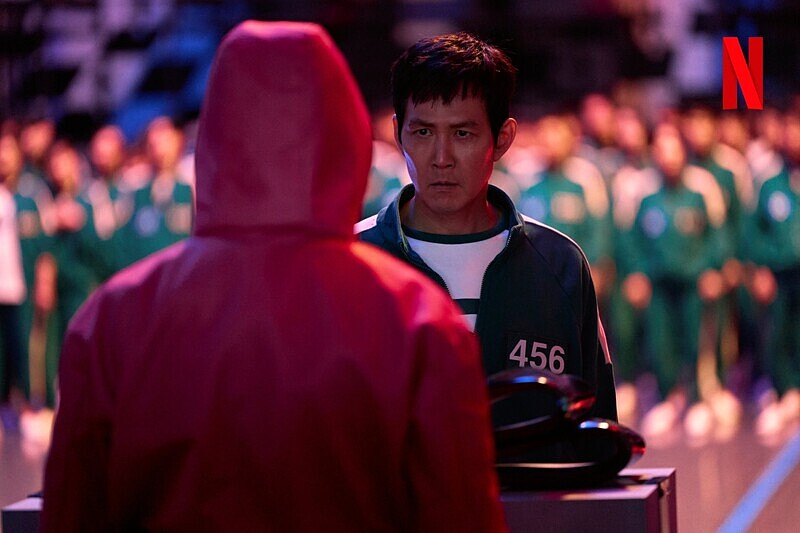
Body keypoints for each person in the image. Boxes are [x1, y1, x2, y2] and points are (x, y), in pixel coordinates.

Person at [42, 21, 506, 532]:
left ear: (216, 135)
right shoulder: (418, 320)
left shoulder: (112, 320)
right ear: (345, 135)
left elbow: (72, 513)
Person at [356, 32, 618, 429]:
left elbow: (596, 430)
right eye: (423, 132)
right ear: (398, 134)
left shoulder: (560, 265)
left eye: (463, 133)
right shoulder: (355, 260)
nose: (441, 158)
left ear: (502, 139)